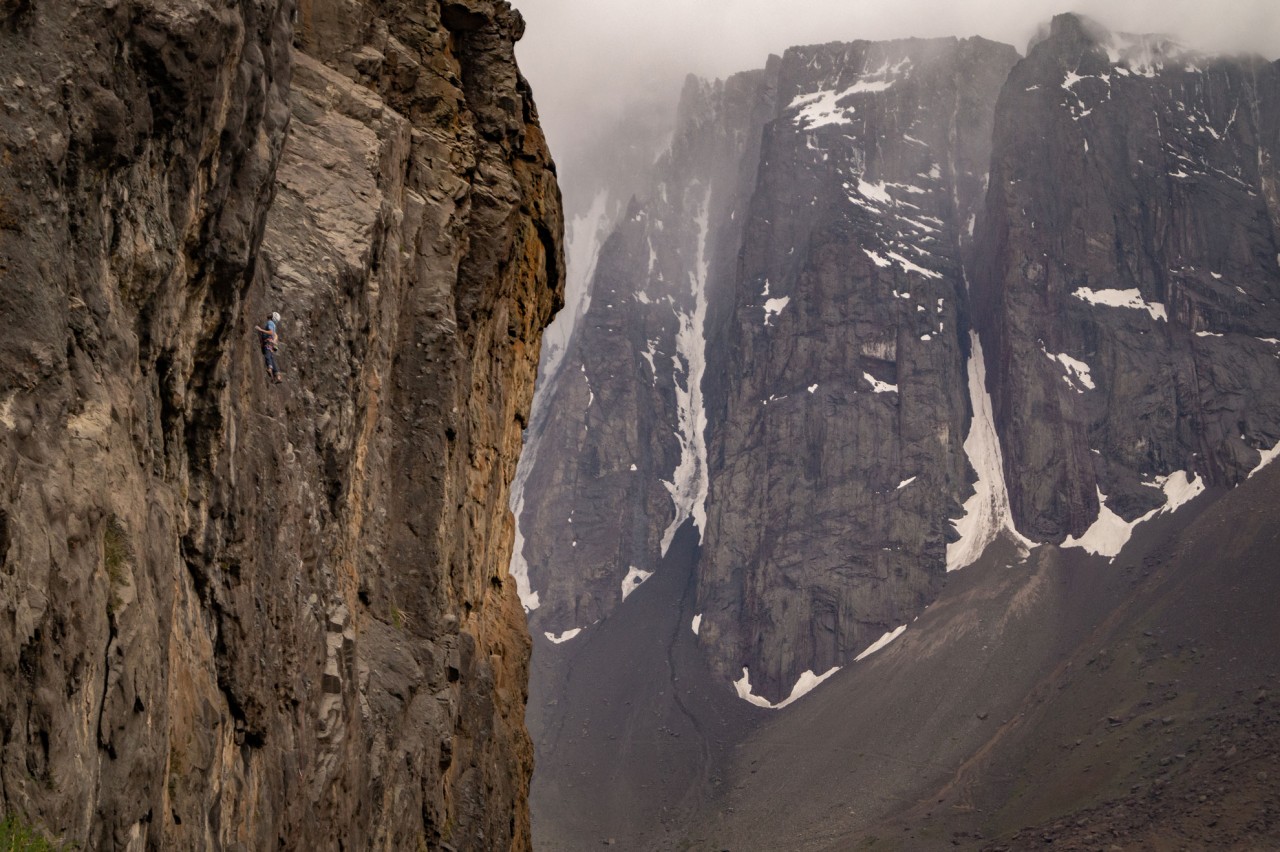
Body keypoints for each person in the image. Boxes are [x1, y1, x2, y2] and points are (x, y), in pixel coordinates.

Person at [254, 311, 283, 383]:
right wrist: (274, 342)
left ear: (273, 317)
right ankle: (277, 375)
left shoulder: (270, 323)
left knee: (268, 355)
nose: (269, 314)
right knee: (271, 357)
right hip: (270, 343)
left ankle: (270, 368)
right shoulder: (273, 325)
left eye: (271, 314)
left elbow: (271, 332)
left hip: (268, 342)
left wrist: (260, 330)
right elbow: (275, 335)